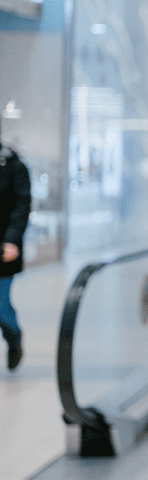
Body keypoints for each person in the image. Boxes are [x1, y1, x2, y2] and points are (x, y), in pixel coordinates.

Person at [0, 137, 30, 372]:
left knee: (0, 306)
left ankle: (14, 336)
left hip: (3, 250)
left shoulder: (14, 166)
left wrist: (12, 240)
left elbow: (21, 205)